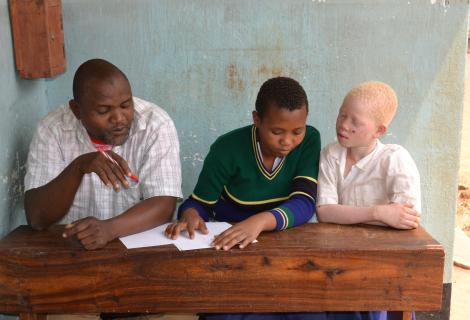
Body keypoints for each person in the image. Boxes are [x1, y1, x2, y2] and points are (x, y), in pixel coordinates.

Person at [24, 58, 183, 251]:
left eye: (125, 105)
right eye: (103, 111)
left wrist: (109, 229)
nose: (118, 118)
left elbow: (164, 205)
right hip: (71, 250)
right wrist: (78, 167)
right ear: (77, 110)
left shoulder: (155, 124)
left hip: (139, 251)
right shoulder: (52, 130)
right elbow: (37, 218)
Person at [165, 76, 320, 251]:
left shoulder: (310, 140)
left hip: (285, 241)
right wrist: (190, 214)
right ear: (257, 119)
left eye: (297, 131)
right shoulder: (226, 148)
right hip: (230, 241)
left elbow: (305, 202)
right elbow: (200, 203)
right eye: (277, 132)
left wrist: (259, 222)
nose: (287, 141)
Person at [317, 81, 421, 320]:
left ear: (379, 131)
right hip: (339, 261)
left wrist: (347, 216)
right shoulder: (331, 154)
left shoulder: (394, 159)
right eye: (342, 115)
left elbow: (407, 220)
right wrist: (378, 213)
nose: (343, 125)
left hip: (383, 264)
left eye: (355, 121)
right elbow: (325, 212)